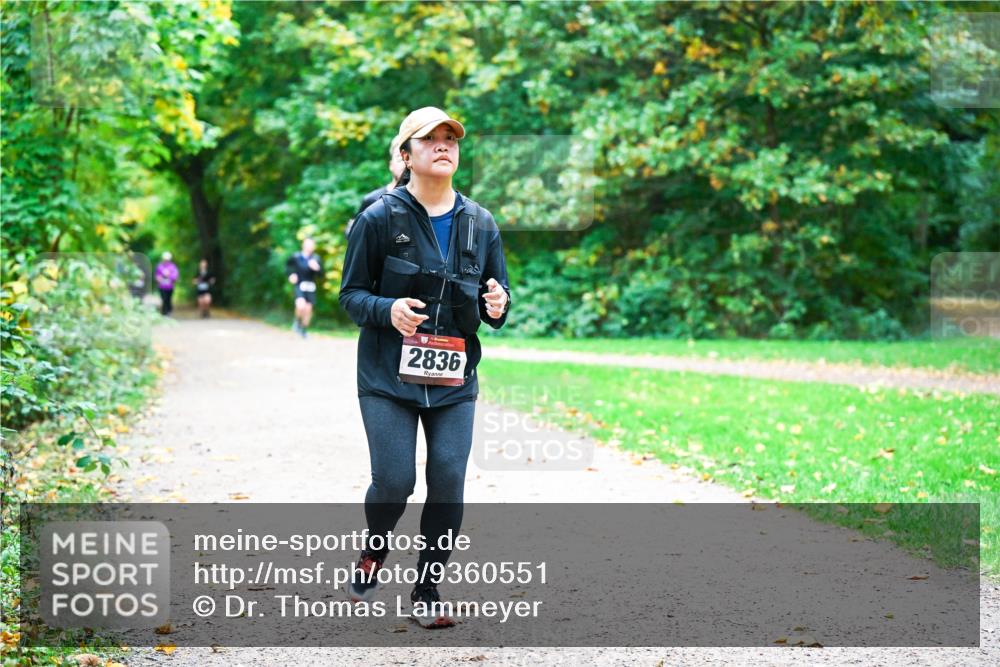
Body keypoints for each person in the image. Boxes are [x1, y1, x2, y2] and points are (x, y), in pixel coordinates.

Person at [338, 107, 511, 628]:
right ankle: (374, 546)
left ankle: (427, 589)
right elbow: (350, 297)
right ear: (406, 155)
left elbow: (495, 297)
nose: (443, 146)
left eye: (450, 139)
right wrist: (387, 311)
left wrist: (499, 304)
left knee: (449, 479)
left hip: (454, 377)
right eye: (429, 139)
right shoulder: (378, 218)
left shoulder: (480, 223)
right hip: (387, 377)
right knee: (394, 484)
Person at [346, 137, 406, 238]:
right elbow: (353, 235)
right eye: (400, 158)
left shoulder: (426, 200)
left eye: (408, 157)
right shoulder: (372, 200)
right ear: (391, 165)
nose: (404, 163)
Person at [285, 237, 323, 338]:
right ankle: (297, 322)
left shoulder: (316, 258)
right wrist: (291, 275)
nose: (310, 247)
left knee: (308, 309)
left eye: (312, 245)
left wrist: (317, 269)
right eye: (308, 244)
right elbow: (287, 266)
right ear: (304, 245)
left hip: (310, 285)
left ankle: (303, 329)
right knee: (300, 305)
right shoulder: (296, 256)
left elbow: (321, 275)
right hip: (299, 284)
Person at [155, 252, 179, 316]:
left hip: (170, 287)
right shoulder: (159, 266)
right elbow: (157, 275)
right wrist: (159, 278)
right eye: (165, 259)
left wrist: (169, 276)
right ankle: (164, 311)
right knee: (164, 299)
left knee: (168, 299)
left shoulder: (172, 267)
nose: (166, 260)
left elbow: (175, 276)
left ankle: (169, 311)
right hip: (162, 286)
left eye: (167, 259)